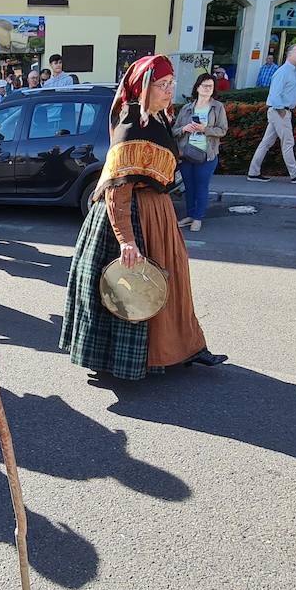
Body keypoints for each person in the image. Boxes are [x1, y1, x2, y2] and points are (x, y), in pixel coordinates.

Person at [60, 54, 227, 381]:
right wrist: (126, 240)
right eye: (162, 85)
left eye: (171, 84)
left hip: (159, 211)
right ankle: (117, 358)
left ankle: (188, 347)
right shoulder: (133, 124)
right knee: (129, 290)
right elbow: (116, 187)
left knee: (173, 282)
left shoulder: (159, 118)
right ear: (143, 87)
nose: (169, 91)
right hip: (134, 214)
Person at [174, 72, 228, 232]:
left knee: (201, 186)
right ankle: (190, 214)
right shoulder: (186, 108)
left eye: (210, 86)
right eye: (204, 85)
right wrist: (184, 128)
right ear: (197, 87)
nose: (207, 89)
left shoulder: (217, 107)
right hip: (187, 153)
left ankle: (198, 217)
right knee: (189, 187)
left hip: (207, 154)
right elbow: (174, 130)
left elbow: (223, 130)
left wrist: (206, 129)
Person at [247, 43, 296, 184]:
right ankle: (295, 174)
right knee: (287, 142)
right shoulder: (283, 72)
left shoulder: (292, 71)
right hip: (281, 111)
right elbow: (274, 95)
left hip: (281, 111)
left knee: (266, 143)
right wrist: (282, 111)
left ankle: (253, 172)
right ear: (290, 54)